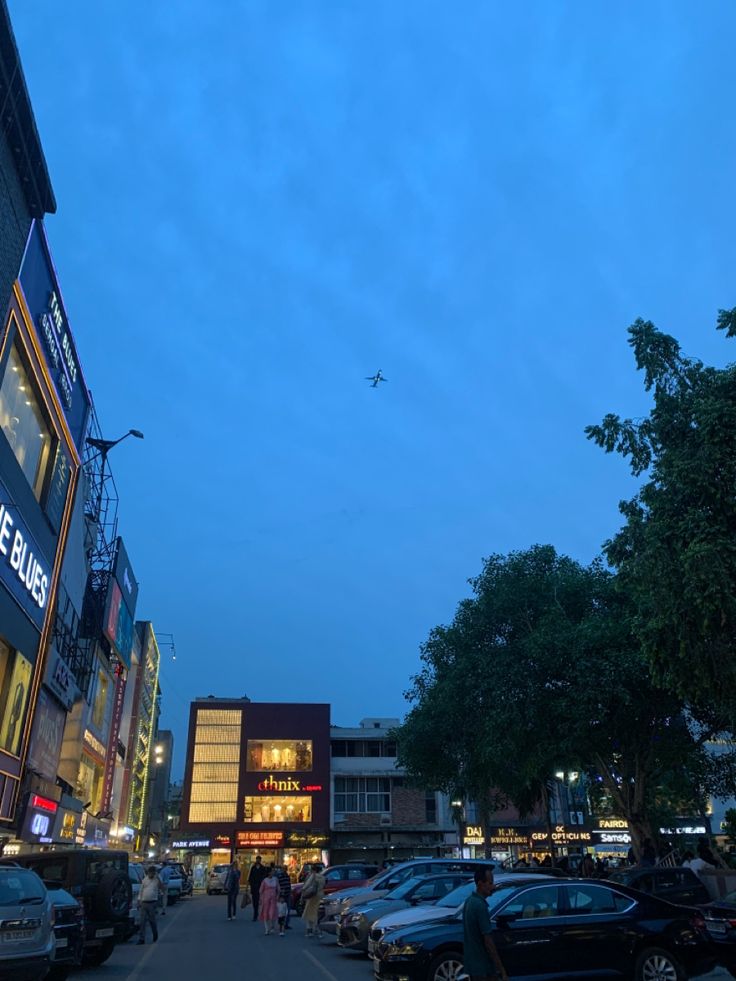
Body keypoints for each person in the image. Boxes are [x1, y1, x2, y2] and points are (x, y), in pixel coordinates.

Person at [462, 866, 508, 981]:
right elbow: (488, 941)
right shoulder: (480, 906)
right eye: (490, 883)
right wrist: (501, 970)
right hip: (484, 968)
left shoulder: (469, 901)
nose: (493, 886)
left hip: (473, 966)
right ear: (480, 884)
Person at [138, 866, 162, 945]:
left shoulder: (156, 880)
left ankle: (155, 935)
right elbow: (141, 890)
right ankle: (142, 939)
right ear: (148, 873)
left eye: (153, 873)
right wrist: (139, 900)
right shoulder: (144, 880)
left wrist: (158, 877)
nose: (151, 874)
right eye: (150, 873)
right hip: (144, 902)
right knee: (142, 922)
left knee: (152, 921)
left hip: (152, 903)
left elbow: (162, 888)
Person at [301, 866, 325, 938]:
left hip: (312, 896)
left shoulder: (313, 876)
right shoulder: (323, 877)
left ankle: (309, 931)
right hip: (320, 895)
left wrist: (303, 890)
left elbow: (307, 885)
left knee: (309, 913)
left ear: (314, 870)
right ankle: (319, 931)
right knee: (317, 913)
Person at [259, 865, 280, 935]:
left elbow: (278, 889)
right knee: (266, 913)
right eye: (271, 871)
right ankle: (267, 929)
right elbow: (261, 890)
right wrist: (261, 899)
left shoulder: (275, 879)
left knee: (272, 913)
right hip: (266, 899)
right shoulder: (265, 880)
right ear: (268, 873)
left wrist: (278, 896)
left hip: (273, 899)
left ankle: (272, 926)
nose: (273, 872)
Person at [248, 856, 268, 922]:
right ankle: (255, 914)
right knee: (255, 902)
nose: (258, 861)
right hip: (254, 887)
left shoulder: (263, 868)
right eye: (257, 860)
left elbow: (264, 877)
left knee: (261, 902)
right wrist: (250, 885)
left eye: (259, 860)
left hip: (260, 887)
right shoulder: (253, 868)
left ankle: (261, 914)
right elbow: (250, 877)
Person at [275, 864, 292, 930]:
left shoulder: (287, 876)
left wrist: (290, 892)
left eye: (285, 868)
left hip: (287, 894)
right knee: (282, 910)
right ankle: (281, 924)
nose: (285, 870)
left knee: (287, 910)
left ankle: (286, 924)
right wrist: (280, 895)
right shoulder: (280, 876)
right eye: (284, 868)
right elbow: (278, 886)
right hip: (282, 895)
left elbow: (289, 884)